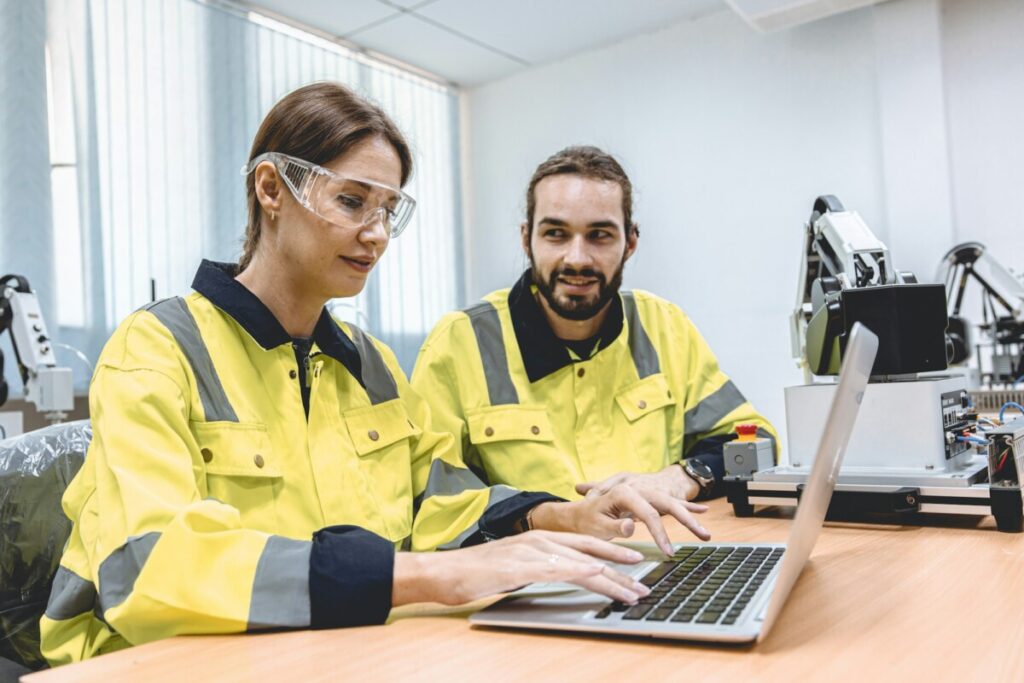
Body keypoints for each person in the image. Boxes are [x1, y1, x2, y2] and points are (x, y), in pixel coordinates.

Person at [39, 86, 654, 666]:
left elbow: (439, 498)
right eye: (353, 201)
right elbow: (154, 569)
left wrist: (555, 518)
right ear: (271, 189)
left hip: (337, 649)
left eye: (388, 209)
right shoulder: (158, 349)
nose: (378, 234)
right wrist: (426, 575)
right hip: (164, 663)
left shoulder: (372, 364)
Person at [411, 145, 780, 553]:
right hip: (529, 579)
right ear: (526, 239)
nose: (577, 257)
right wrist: (550, 516)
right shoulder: (460, 342)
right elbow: (434, 501)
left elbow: (753, 441)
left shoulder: (664, 325)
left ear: (630, 242)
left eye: (599, 235)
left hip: (661, 562)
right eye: (556, 233)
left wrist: (678, 478)